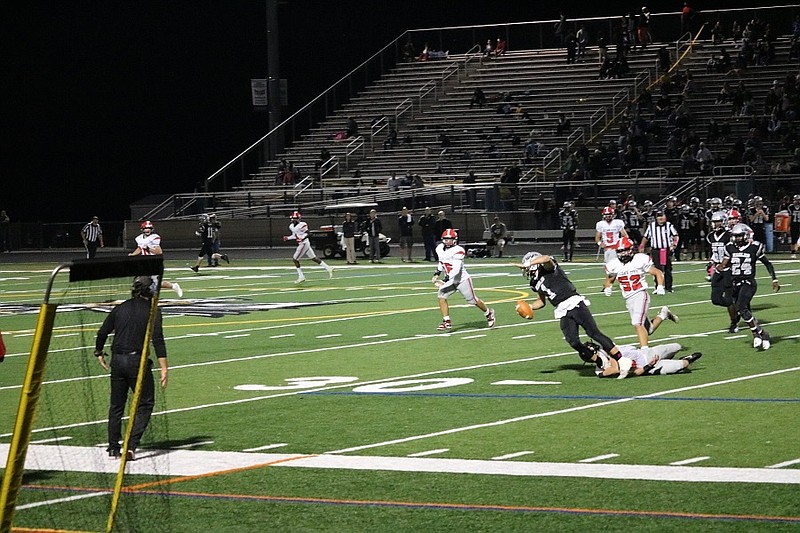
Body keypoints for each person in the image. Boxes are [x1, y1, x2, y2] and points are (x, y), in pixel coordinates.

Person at [94, 275, 168, 461]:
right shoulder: (153, 311)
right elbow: (157, 339)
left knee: (116, 406)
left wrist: (99, 352)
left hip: (117, 362)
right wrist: (164, 367)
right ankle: (131, 445)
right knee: (145, 403)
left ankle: (112, 447)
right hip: (137, 362)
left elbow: (102, 332)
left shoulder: (121, 307)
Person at [516, 252, 622, 365]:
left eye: (527, 267)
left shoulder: (548, 267)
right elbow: (541, 302)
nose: (526, 270)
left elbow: (546, 258)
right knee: (573, 341)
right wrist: (530, 306)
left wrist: (530, 262)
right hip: (562, 309)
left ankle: (620, 358)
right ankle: (601, 361)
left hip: (573, 302)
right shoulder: (534, 283)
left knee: (593, 333)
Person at [603, 237, 678, 348]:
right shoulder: (614, 264)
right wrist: (608, 287)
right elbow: (610, 278)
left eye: (624, 250)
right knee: (648, 329)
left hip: (640, 294)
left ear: (631, 249)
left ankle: (644, 351)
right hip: (628, 298)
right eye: (619, 251)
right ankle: (663, 314)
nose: (622, 254)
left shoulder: (639, 259)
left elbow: (657, 272)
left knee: (637, 323)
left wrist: (660, 286)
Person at [717, 223, 780, 350]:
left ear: (746, 235)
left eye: (740, 236)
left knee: (741, 307)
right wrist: (718, 270)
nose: (737, 239)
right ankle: (763, 334)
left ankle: (755, 333)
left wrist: (774, 279)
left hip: (748, 282)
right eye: (735, 236)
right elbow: (723, 263)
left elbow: (768, 264)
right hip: (735, 283)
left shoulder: (754, 247)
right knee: (743, 311)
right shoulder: (729, 247)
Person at [431, 229, 495, 331]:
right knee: (441, 296)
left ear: (454, 240)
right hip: (450, 280)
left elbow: (456, 269)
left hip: (461, 279)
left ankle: (488, 313)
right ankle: (446, 321)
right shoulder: (439, 248)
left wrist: (444, 279)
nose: (447, 241)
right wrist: (437, 273)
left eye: (450, 239)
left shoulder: (458, 250)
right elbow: (442, 262)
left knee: (472, 300)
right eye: (446, 239)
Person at [587, 342, 701, 379]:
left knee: (677, 346)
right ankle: (686, 360)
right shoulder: (600, 371)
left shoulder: (608, 347)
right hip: (649, 367)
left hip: (647, 353)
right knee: (681, 365)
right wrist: (650, 365)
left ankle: (668, 359)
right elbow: (635, 372)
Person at [129, 221, 183, 297]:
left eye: (149, 228)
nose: (147, 230)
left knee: (156, 284)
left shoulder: (154, 238)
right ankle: (142, 296)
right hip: (144, 262)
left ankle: (173, 286)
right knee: (140, 282)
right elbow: (139, 248)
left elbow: (159, 252)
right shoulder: (139, 238)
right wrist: (132, 254)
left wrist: (148, 249)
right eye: (146, 228)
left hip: (153, 262)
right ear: (142, 229)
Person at [706, 211, 739, 333]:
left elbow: (733, 251)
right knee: (715, 299)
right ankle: (736, 308)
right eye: (714, 222)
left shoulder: (730, 235)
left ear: (724, 221)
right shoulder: (710, 236)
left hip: (729, 270)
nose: (716, 224)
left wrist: (724, 263)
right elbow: (713, 252)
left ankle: (734, 322)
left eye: (718, 221)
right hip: (718, 270)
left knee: (729, 296)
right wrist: (711, 263)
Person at [283, 211, 334, 282]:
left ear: (298, 218)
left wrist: (303, 238)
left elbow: (310, 234)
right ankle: (328, 268)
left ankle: (301, 276)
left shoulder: (302, 225)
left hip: (304, 243)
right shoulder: (291, 226)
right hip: (302, 243)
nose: (294, 219)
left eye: (296, 218)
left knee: (295, 259)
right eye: (293, 218)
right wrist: (288, 238)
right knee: (314, 258)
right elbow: (295, 235)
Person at [640, 210, 678, 293]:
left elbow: (675, 236)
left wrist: (674, 244)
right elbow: (646, 237)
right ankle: (658, 286)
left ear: (665, 216)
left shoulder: (669, 225)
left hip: (666, 250)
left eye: (662, 215)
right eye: (658, 216)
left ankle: (668, 287)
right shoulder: (651, 226)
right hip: (656, 250)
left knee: (667, 268)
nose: (660, 218)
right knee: (657, 269)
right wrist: (642, 246)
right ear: (656, 218)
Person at [789, 194, 800, 258]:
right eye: (796, 200)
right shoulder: (791, 207)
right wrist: (788, 226)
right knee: (793, 238)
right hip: (794, 224)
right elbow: (790, 217)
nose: (797, 201)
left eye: (798, 200)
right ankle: (793, 252)